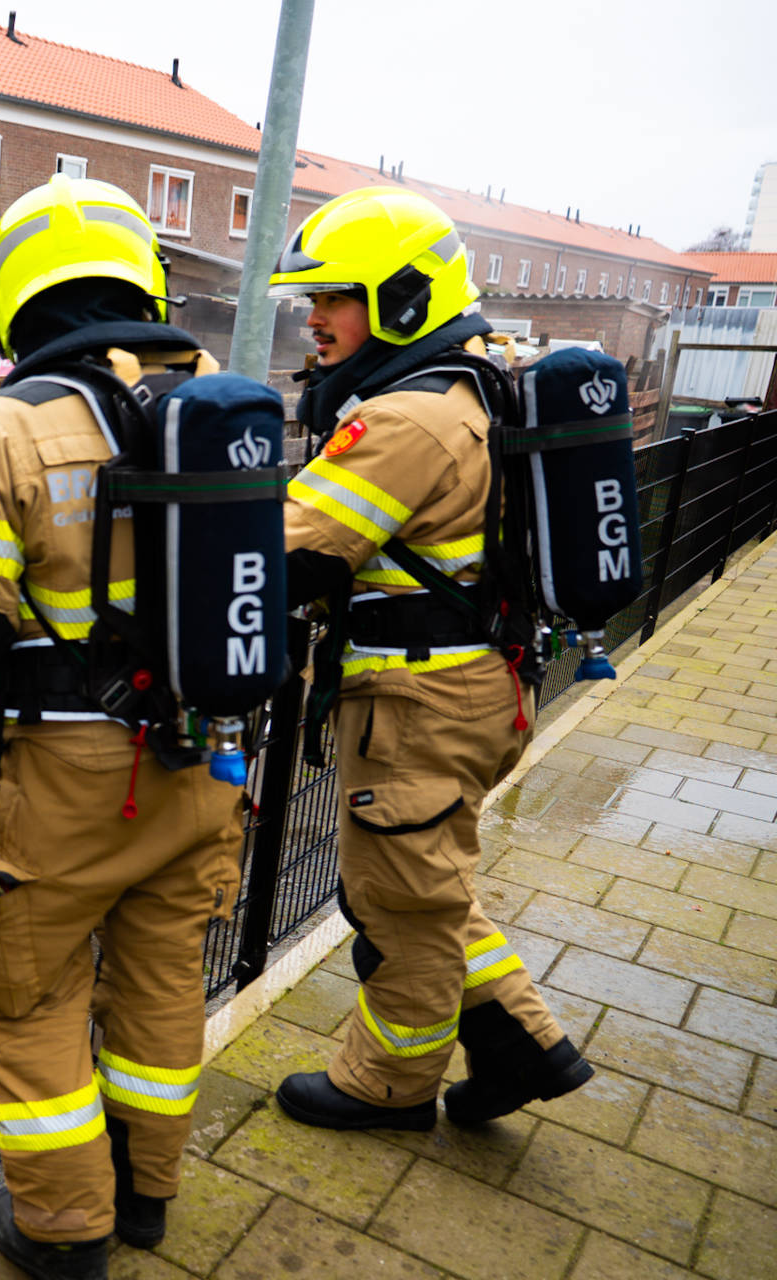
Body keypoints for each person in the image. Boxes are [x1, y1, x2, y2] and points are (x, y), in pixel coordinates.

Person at [0, 174, 246, 1280]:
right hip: (200, 758)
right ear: (142, 281)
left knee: (31, 992)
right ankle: (147, 1199)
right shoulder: (208, 403)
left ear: (15, 295)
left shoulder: (4, 422)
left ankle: (61, 1231)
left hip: (68, 777)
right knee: (160, 983)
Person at [266, 186, 593, 1131]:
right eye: (312, 299)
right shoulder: (474, 384)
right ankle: (526, 1047)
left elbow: (292, 554)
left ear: (403, 301)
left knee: (399, 904)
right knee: (430, 882)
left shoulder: (407, 421)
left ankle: (388, 1086)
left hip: (421, 700)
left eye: (335, 297)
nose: (315, 319)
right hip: (476, 683)